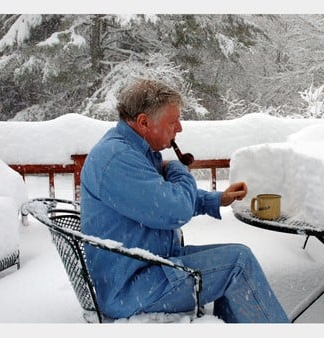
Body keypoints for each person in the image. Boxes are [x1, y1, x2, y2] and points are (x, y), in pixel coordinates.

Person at [80, 79, 289, 323]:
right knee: (237, 263)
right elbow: (174, 210)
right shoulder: (118, 158)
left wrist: (215, 199)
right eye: (173, 122)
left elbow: (156, 199)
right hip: (131, 288)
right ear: (144, 122)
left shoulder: (132, 149)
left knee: (236, 255)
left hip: (148, 266)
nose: (179, 128)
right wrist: (179, 169)